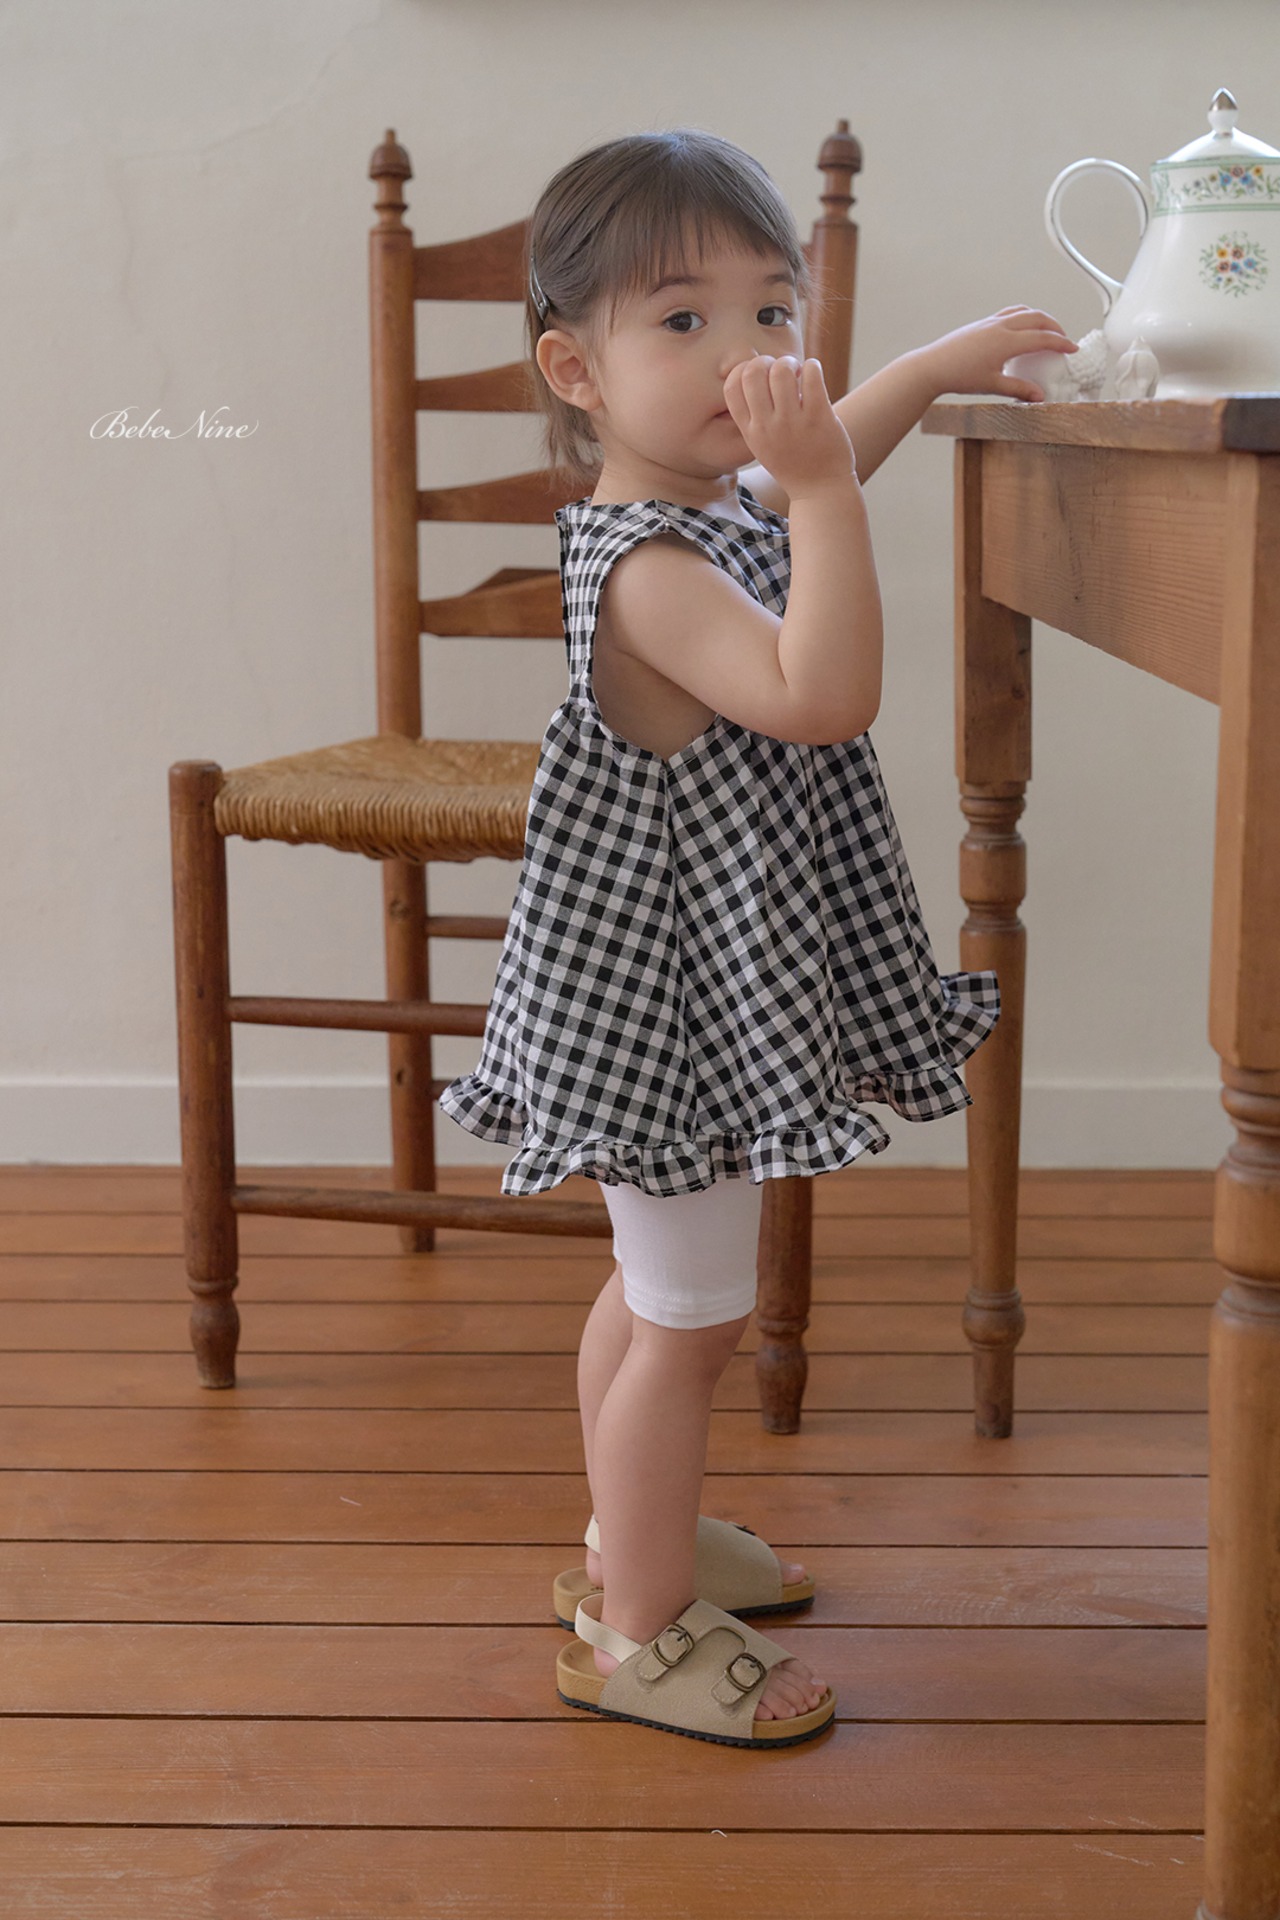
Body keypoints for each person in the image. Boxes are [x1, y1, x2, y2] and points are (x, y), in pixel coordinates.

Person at [438, 127, 1078, 1748]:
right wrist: (828, 492)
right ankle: (637, 1629)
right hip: (669, 1012)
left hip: (679, 988)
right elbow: (823, 692)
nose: (749, 358)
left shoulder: (698, 502)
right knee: (693, 1320)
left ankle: (623, 1540)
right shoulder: (652, 566)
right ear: (576, 370)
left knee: (655, 1288)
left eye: (773, 313)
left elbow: (805, 465)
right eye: (685, 321)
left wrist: (925, 368)